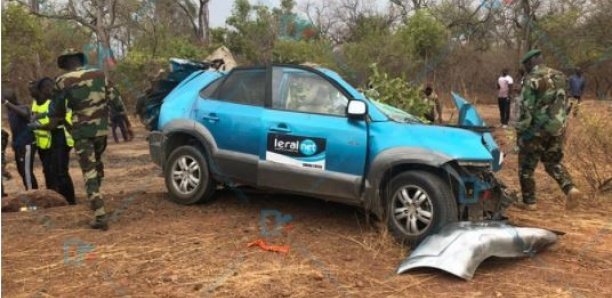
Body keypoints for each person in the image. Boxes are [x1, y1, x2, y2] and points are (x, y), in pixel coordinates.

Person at [48, 48, 127, 230]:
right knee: (96, 163)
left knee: (88, 170)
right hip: (101, 131)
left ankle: (100, 216)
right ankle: (96, 196)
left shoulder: (62, 81)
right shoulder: (99, 74)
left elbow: (56, 110)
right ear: (80, 60)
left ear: (66, 63)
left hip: (82, 132)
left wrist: (53, 121)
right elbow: (117, 101)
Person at [516, 49, 581, 211]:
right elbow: (565, 102)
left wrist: (520, 132)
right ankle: (570, 188)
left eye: (526, 65)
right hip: (557, 128)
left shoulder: (531, 79)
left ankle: (529, 202)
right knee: (553, 162)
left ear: (530, 62)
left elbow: (526, 109)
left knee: (526, 167)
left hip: (536, 130)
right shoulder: (560, 76)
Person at [30, 77, 76, 205]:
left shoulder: (57, 101)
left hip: (62, 136)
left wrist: (37, 125)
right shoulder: (51, 101)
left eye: (50, 87)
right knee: (55, 170)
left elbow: (52, 125)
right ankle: (61, 198)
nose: (48, 90)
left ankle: (71, 201)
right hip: (55, 137)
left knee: (61, 171)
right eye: (46, 88)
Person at [2, 88, 38, 190]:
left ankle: (33, 195)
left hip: (27, 144)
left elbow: (26, 115)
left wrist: (7, 103)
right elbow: (15, 129)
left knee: (26, 171)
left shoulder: (23, 108)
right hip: (19, 145)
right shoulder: (10, 111)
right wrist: (14, 142)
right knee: (21, 170)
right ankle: (31, 191)